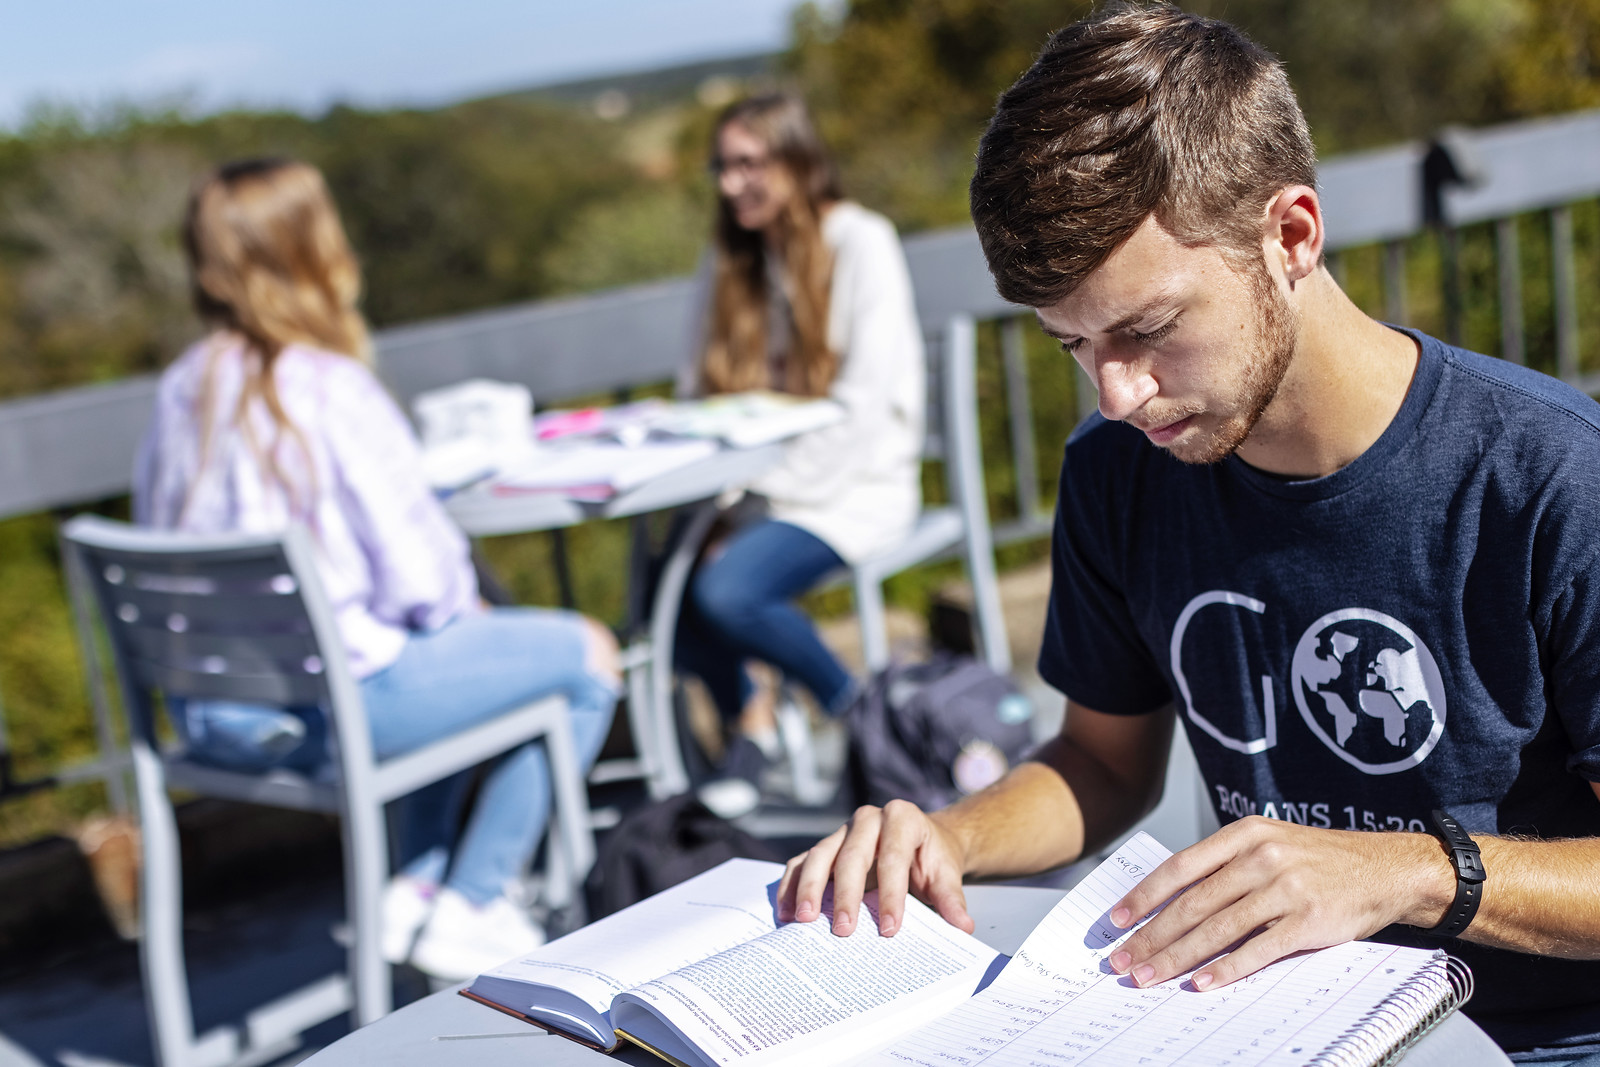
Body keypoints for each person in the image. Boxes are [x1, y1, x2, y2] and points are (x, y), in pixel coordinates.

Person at [777, 6, 1600, 1062]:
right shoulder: (1119, 470)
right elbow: (1098, 758)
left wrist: (1404, 868)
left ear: (1291, 236)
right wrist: (945, 836)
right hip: (1262, 1023)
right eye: (1073, 344)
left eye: (1150, 329)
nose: (1117, 392)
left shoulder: (1553, 474)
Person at [134, 158, 620, 982]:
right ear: (314, 251)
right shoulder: (330, 388)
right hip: (337, 716)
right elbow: (423, 587)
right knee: (584, 656)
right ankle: (472, 898)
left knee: (445, 659)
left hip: (219, 724)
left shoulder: (178, 393)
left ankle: (416, 885)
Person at [675, 93, 926, 808]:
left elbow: (862, 409)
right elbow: (697, 387)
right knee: (659, 601)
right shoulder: (730, 259)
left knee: (727, 589)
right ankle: (751, 725)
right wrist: (725, 503)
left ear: (797, 159)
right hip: (757, 490)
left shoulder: (860, 242)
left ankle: (858, 712)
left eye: (748, 164)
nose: (730, 184)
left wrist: (751, 499)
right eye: (722, 167)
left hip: (849, 485)